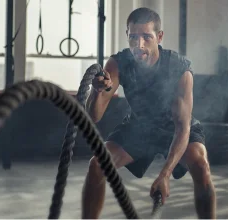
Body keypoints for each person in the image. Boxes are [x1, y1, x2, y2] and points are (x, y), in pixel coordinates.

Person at [81, 7, 216, 219]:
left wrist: (165, 174)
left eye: (146, 37)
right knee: (97, 165)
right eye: (133, 37)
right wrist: (97, 92)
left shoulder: (179, 69)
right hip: (140, 126)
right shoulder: (118, 63)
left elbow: (182, 127)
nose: (139, 45)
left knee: (200, 163)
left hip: (175, 127)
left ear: (159, 37)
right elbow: (94, 116)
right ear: (127, 35)